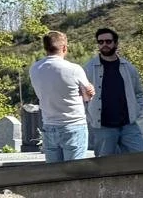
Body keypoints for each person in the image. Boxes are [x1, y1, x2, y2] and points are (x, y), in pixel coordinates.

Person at [29, 31, 95, 162]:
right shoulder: (74, 69)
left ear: (46, 48)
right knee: (75, 170)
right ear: (64, 48)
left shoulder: (35, 68)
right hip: (73, 125)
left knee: (54, 171)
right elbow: (88, 97)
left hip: (49, 124)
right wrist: (89, 91)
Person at [83, 27, 143, 155]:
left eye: (108, 41)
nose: (104, 45)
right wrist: (90, 117)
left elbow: (139, 93)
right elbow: (81, 97)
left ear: (116, 43)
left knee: (141, 157)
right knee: (105, 163)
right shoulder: (89, 69)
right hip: (103, 127)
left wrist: (136, 111)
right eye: (100, 42)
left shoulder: (129, 68)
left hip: (128, 125)